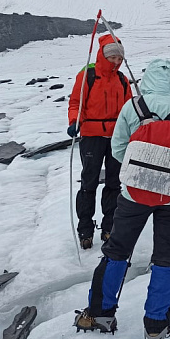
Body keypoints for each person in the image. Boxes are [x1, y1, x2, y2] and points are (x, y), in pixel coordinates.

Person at [74, 59, 170, 339]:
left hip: (133, 193)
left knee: (118, 248)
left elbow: (118, 149)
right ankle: (156, 326)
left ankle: (101, 313)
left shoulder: (133, 107)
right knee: (166, 253)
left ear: (146, 80)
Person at [68, 34, 132, 249]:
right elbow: (76, 102)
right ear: (104, 55)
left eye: (119, 58)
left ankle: (109, 227)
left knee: (114, 182)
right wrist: (74, 121)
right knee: (89, 183)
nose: (116, 61)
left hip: (117, 137)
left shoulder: (122, 80)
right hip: (91, 136)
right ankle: (85, 229)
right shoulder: (88, 76)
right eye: (112, 56)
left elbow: (129, 109)